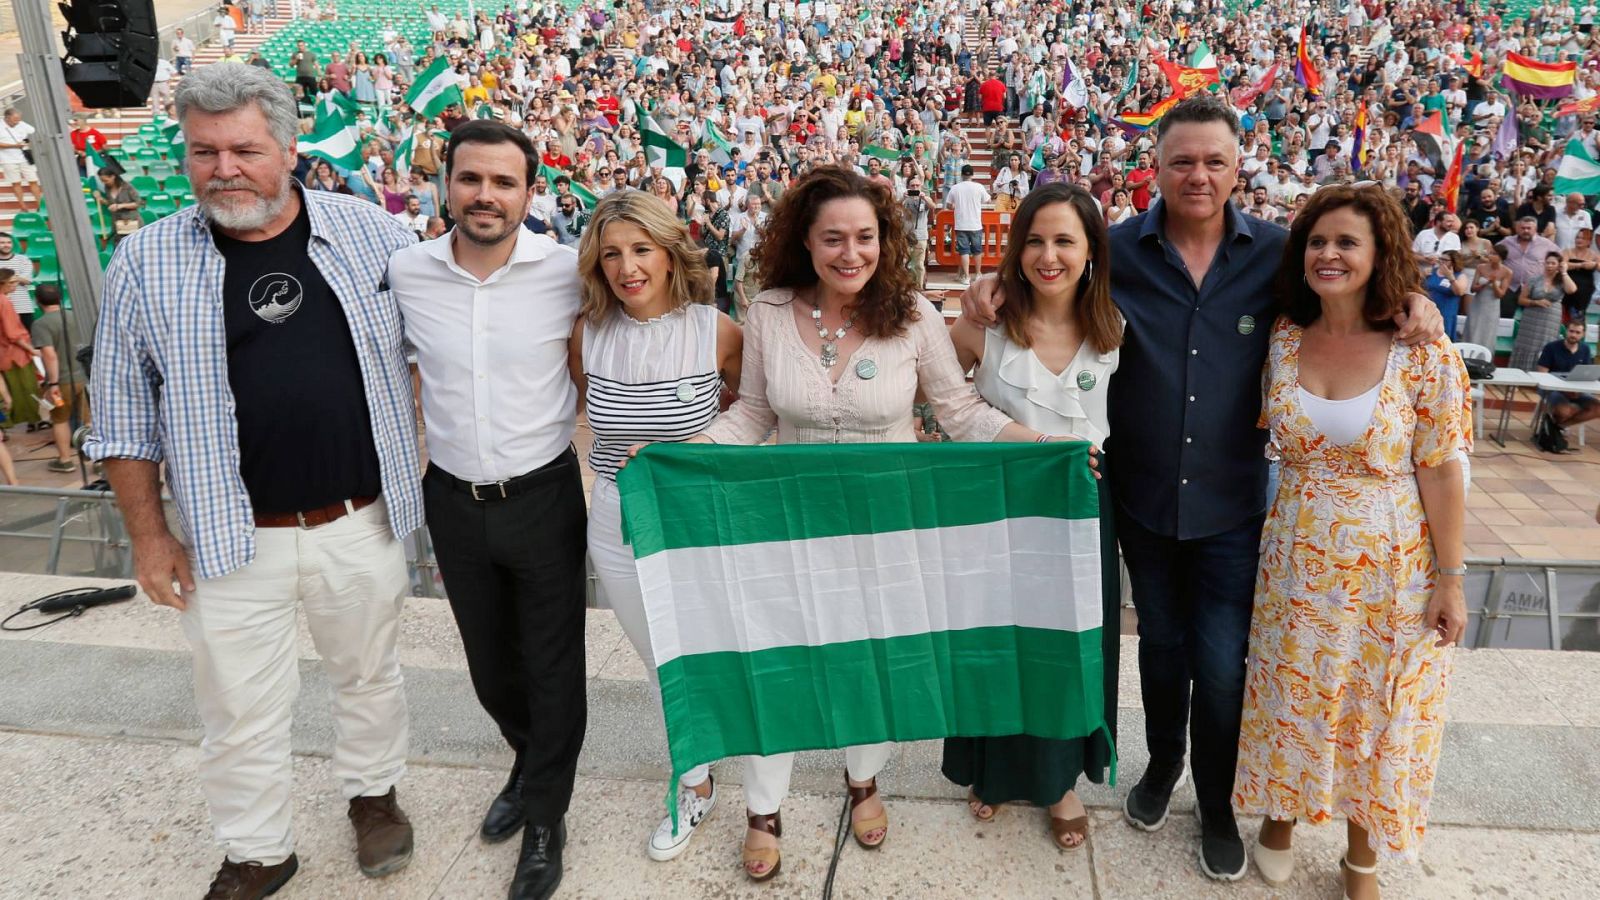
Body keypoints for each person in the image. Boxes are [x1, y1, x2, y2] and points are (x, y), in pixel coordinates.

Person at [959, 95, 1443, 882]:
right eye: (1182, 159)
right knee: (1159, 646)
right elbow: (1044, 293)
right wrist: (989, 294)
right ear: (1155, 167)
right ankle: (1160, 766)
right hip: (1142, 497)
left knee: (1222, 663)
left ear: (1237, 165)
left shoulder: (1277, 255)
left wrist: (1411, 302)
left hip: (1231, 502)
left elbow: (1347, 293)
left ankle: (1215, 803)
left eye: (1214, 159)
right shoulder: (1112, 252)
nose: (1198, 174)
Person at [83, 64, 421, 899]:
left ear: (290, 147)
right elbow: (122, 414)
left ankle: (373, 797)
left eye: (244, 149)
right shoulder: (145, 259)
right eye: (204, 152)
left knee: (370, 672)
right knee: (235, 706)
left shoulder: (372, 233)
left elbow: (432, 353)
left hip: (360, 519)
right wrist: (150, 535)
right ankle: (257, 848)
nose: (223, 170)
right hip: (230, 536)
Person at [687, 166, 1073, 882]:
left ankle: (863, 778)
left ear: (884, 240)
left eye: (864, 237)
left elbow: (959, 413)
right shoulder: (768, 309)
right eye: (833, 238)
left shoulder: (914, 315)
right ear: (805, 240)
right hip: (788, 525)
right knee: (777, 664)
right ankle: (764, 808)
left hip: (886, 529)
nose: (850, 253)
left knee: (870, 659)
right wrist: (684, 455)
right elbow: (752, 415)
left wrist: (1048, 448)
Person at [1237, 184, 1469, 900]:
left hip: (1389, 560)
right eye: (1317, 242)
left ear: (1381, 256)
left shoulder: (1420, 349)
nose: (1330, 254)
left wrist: (1451, 578)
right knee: (1291, 690)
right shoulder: (1281, 335)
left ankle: (1360, 857)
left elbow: (1441, 465)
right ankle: (1280, 815)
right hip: (1297, 553)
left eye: (1347, 243)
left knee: (1374, 707)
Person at [386, 120, 586, 900]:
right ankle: (528, 760)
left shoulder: (568, 270)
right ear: (446, 185)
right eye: (471, 179)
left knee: (553, 662)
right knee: (489, 666)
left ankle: (545, 816)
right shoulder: (407, 270)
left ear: (531, 193)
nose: (485, 196)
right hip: (454, 498)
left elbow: (668, 299)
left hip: (543, 495)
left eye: (504, 183)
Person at [942, 183, 1121, 851]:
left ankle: (1062, 779)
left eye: (1065, 241)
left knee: (1070, 645)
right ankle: (989, 768)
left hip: (1080, 513)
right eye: (1036, 241)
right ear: (1016, 252)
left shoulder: (1115, 328)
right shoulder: (981, 327)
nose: (1050, 255)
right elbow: (938, 400)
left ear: (1091, 252)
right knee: (997, 641)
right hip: (997, 512)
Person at [569, 190, 743, 861]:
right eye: (611, 253)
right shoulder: (587, 333)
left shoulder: (717, 329)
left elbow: (750, 412)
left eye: (641, 249)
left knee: (709, 645)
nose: (626, 266)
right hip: (617, 515)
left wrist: (695, 452)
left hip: (699, 516)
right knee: (658, 657)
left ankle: (736, 755)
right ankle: (695, 781)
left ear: (670, 255)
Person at [29, 285, 88, 473]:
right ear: (60, 298)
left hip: (62, 380)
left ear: (37, 301)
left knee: (60, 420)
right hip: (83, 376)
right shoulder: (75, 316)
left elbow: (49, 355)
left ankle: (65, 460)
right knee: (88, 420)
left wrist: (52, 383)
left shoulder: (41, 324)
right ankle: (98, 461)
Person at [1511, 251, 1574, 371]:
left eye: (1553, 263)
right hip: (1532, 317)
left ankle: (1542, 373)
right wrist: (1536, 302)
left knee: (1546, 344)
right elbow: (1521, 300)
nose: (1549, 265)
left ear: (1558, 265)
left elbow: (1572, 290)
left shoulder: (1561, 281)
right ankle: (1521, 373)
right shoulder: (1534, 279)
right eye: (1547, 263)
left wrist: (1564, 272)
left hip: (1550, 319)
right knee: (1527, 346)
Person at [0, 266, 35, 473]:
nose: (15, 284)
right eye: (12, 282)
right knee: (23, 393)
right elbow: (13, 334)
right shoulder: (4, 302)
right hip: (14, 355)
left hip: (6, 354)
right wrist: (32, 351)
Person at [1536, 320, 1600, 427]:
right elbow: (1542, 375)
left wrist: (1578, 391)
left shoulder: (1585, 349)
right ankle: (1555, 429)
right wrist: (1564, 390)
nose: (1573, 335)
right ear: (1566, 331)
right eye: (1571, 331)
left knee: (1597, 408)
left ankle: (1560, 427)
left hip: (1577, 390)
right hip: (1552, 389)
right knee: (1564, 412)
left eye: (1577, 332)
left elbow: (1586, 376)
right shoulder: (1551, 347)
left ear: (1583, 334)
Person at [945, 164, 990, 284]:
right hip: (975, 223)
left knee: (964, 251)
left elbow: (949, 205)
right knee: (977, 250)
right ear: (973, 174)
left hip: (961, 223)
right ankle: (978, 273)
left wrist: (955, 206)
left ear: (961, 174)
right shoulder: (979, 186)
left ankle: (966, 276)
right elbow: (987, 199)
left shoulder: (955, 188)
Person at [1465, 244, 1512, 351]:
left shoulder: (1507, 272)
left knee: (1487, 333)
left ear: (1501, 257)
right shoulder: (1481, 267)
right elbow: (1472, 288)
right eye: (1490, 253)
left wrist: (1494, 283)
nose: (1491, 256)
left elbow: (1500, 294)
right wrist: (1485, 283)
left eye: (1494, 254)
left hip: (1492, 306)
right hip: (1478, 304)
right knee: (1473, 329)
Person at [1423, 251, 1470, 341]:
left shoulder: (1460, 276)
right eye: (1440, 259)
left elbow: (1459, 292)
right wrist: (1422, 276)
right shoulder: (1431, 271)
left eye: (1444, 260)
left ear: (1453, 262)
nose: (1441, 261)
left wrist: (1450, 277)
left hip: (1446, 313)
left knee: (1442, 340)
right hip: (1429, 311)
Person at [0, 108, 39, 212]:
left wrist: (25, 141)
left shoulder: (22, 124)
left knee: (33, 180)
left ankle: (39, 204)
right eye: (14, 120)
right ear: (7, 118)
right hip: (8, 159)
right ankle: (23, 206)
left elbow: (33, 133)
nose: (17, 122)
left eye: (18, 119)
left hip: (24, 157)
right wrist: (14, 145)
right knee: (16, 182)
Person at [94, 170, 144, 243]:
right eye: (102, 181)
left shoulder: (127, 186)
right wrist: (101, 199)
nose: (104, 183)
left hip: (132, 222)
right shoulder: (107, 188)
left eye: (106, 180)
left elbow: (138, 203)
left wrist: (120, 206)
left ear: (113, 177)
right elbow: (111, 204)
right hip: (117, 224)